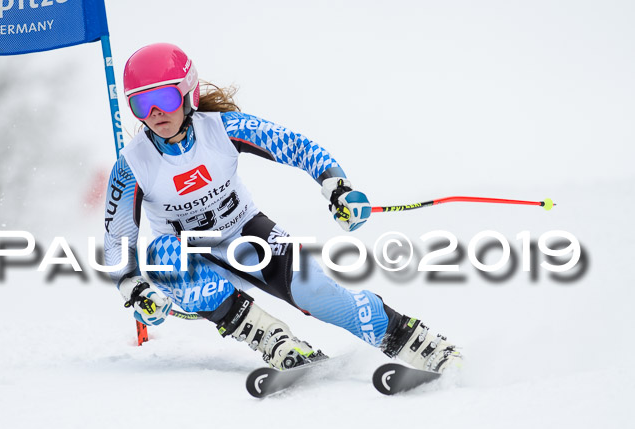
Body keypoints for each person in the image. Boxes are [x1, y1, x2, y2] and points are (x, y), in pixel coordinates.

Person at [103, 43, 462, 372]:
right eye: (140, 103)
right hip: (192, 255)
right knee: (160, 256)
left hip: (246, 234)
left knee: (318, 293)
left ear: (188, 93)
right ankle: (272, 338)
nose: (153, 113)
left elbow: (296, 146)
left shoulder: (223, 129)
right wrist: (132, 286)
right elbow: (116, 238)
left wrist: (337, 186)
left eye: (164, 98)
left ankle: (414, 341)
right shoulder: (132, 165)